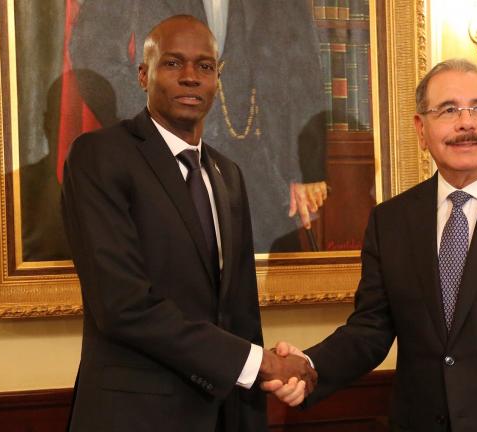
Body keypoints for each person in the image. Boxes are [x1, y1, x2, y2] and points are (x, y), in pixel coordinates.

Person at [264, 59, 477, 431]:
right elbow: (370, 329)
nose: (466, 123)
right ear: (421, 129)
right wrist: (309, 367)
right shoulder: (391, 221)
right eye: (448, 110)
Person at [61, 15, 315, 432]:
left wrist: (262, 378)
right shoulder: (100, 156)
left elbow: (240, 313)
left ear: (218, 79)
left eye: (205, 66)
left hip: (220, 414)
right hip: (132, 419)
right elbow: (122, 305)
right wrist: (261, 363)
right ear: (143, 75)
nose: (191, 77)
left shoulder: (228, 175)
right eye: (173, 63)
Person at [68, 0, 328, 253]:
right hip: (164, 163)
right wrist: (149, 119)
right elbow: (92, 53)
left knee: (264, 277)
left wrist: (306, 167)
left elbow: (302, 65)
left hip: (261, 168)